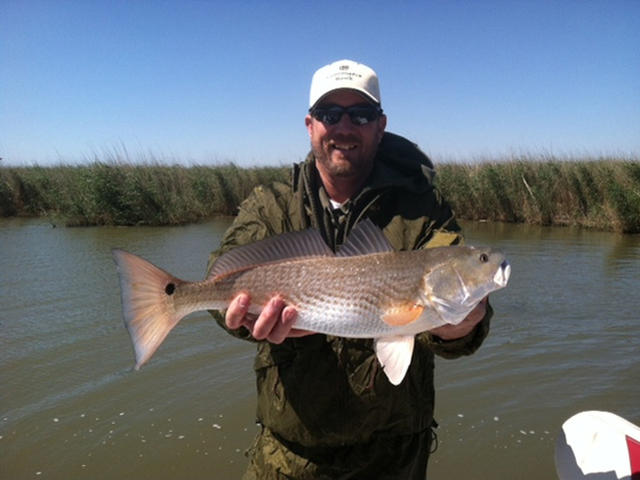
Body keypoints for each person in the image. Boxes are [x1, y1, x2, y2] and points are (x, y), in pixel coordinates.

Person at [207, 59, 492, 479]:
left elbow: (455, 292)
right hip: (287, 456)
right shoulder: (273, 204)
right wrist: (239, 320)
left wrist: (462, 325)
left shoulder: (422, 208)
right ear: (310, 125)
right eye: (329, 114)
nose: (343, 127)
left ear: (380, 125)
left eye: (360, 114)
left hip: (396, 459)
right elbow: (219, 275)